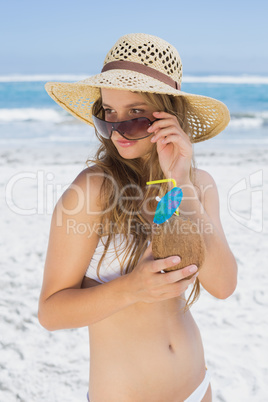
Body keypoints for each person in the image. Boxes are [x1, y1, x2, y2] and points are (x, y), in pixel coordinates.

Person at [38, 33, 238, 401]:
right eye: (108, 115)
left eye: (134, 115)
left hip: (197, 388)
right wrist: (132, 289)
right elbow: (51, 312)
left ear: (169, 116)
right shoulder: (94, 189)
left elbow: (223, 285)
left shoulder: (197, 185)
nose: (117, 130)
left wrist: (180, 181)